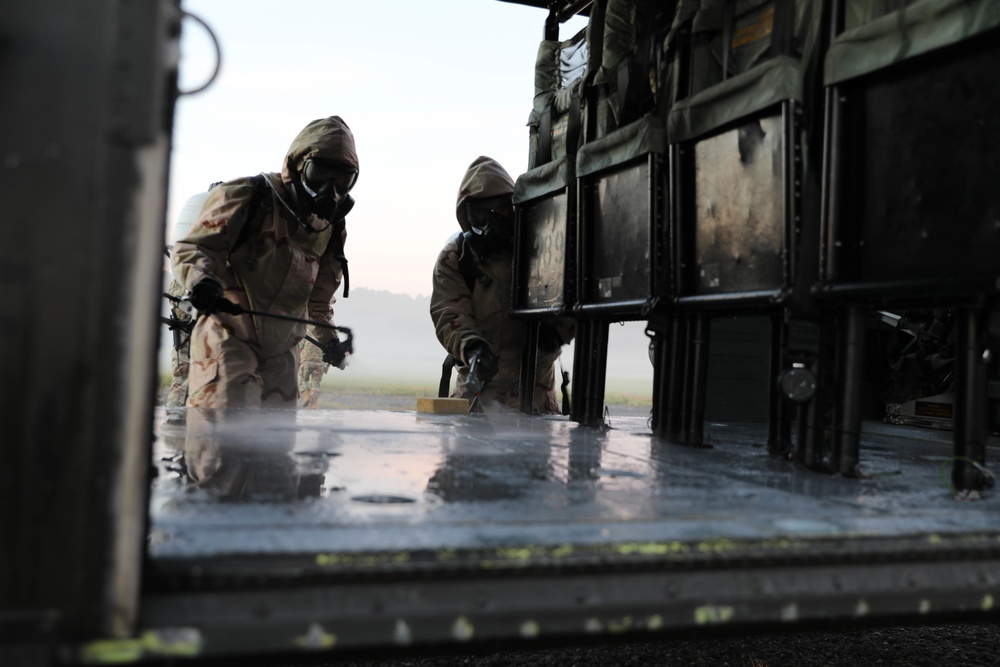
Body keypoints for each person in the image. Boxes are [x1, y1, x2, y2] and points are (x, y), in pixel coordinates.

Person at [173, 115, 357, 411]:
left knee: (275, 447)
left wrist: (330, 341)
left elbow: (318, 301)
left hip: (283, 355)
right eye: (319, 173)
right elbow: (196, 248)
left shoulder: (330, 228)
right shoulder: (248, 195)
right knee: (224, 444)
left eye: (343, 180)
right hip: (228, 343)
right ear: (298, 165)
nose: (329, 189)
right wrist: (201, 281)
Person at [430, 156, 575, 414]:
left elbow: (573, 296)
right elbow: (449, 313)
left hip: (536, 402)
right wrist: (473, 349)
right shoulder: (456, 259)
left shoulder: (544, 251)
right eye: (480, 213)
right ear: (466, 215)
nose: (492, 222)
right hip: (477, 401)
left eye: (501, 210)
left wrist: (557, 332)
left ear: (515, 207)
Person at [298, 325, 329, 409]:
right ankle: (314, 404)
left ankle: (306, 397)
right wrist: (327, 366)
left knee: (302, 380)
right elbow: (329, 351)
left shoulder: (306, 332)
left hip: (306, 361)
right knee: (316, 383)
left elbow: (299, 346)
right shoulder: (325, 336)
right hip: (320, 362)